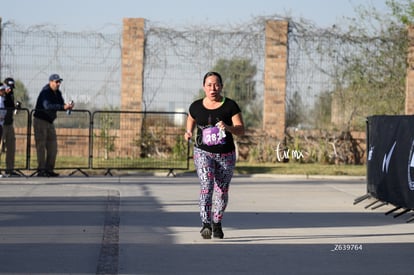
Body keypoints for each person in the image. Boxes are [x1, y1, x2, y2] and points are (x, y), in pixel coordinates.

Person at [184, 71, 245, 239]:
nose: (213, 88)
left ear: (221, 87)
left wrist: (228, 127)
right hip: (203, 152)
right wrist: (188, 131)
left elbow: (241, 129)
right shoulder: (196, 106)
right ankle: (205, 224)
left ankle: (217, 222)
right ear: (204, 87)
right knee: (207, 185)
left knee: (222, 190)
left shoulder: (230, 106)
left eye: (216, 84)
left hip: (226, 155)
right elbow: (191, 118)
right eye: (209, 85)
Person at [33, 74, 74, 177]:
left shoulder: (58, 93)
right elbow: (47, 106)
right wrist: (62, 106)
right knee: (41, 146)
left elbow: (61, 104)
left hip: (50, 121)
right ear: (50, 82)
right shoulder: (45, 92)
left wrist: (67, 106)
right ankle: (41, 170)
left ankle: (49, 169)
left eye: (59, 82)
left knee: (53, 146)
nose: (58, 84)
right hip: (40, 120)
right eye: (56, 82)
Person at [2, 78, 20, 177]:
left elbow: (12, 109)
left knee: (11, 146)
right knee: (0, 147)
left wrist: (16, 108)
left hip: (9, 123)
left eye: (12, 88)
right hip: (2, 124)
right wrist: (4, 93)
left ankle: (10, 169)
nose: (10, 89)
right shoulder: (1, 95)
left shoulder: (11, 95)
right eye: (8, 87)